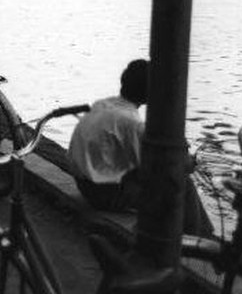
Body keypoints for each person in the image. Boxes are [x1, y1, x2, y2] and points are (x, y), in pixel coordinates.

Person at [68, 58, 213, 236]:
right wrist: (186, 163)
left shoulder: (103, 104)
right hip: (104, 195)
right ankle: (200, 237)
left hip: (85, 185)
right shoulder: (132, 123)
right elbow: (159, 168)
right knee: (180, 182)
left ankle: (197, 233)